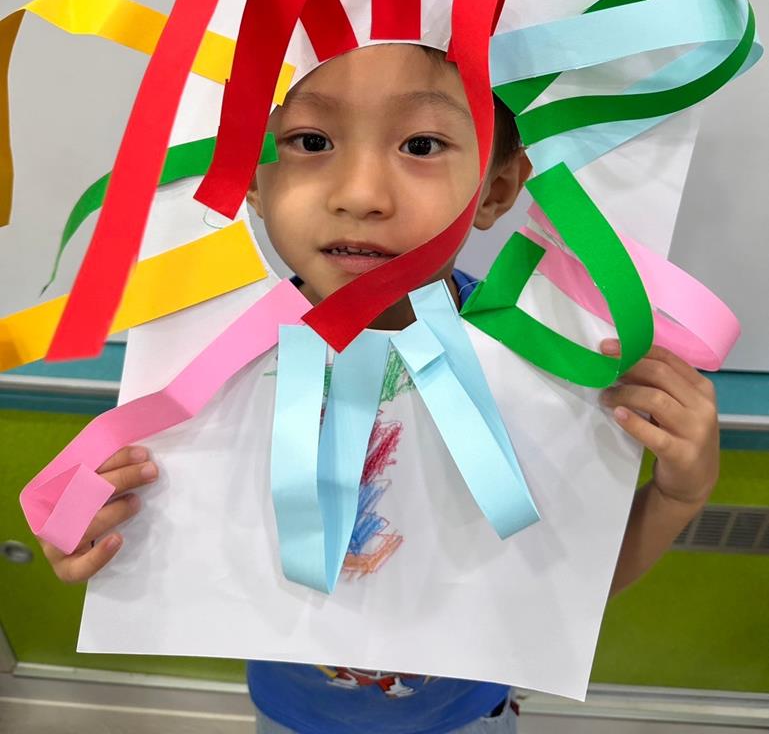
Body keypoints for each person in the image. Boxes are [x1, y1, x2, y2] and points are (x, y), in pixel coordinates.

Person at [38, 41, 720, 734]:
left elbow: (567, 587)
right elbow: (157, 545)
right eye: (311, 141)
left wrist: (679, 494)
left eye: (421, 145)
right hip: (290, 715)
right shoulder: (202, 366)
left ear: (495, 189)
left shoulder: (542, 370)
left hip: (465, 720)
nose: (360, 195)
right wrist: (91, 535)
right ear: (249, 174)